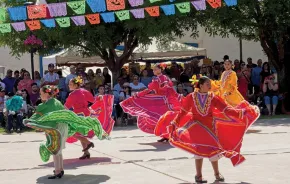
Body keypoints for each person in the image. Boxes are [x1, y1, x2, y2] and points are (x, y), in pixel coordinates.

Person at [156, 76, 260, 183]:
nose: (210, 86)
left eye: (210, 84)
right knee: (198, 151)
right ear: (200, 85)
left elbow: (226, 109)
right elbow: (183, 112)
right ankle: (199, 175)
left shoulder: (213, 97)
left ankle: (216, 173)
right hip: (196, 128)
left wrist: (240, 113)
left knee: (214, 151)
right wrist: (175, 123)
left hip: (210, 128)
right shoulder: (191, 97)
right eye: (207, 84)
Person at [23, 85, 104, 179]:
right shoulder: (56, 102)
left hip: (56, 128)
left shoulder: (46, 104)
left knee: (55, 149)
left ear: (46, 93)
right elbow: (64, 111)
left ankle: (58, 171)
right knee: (58, 149)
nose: (40, 95)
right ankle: (60, 169)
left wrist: (29, 121)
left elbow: (37, 116)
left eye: (41, 93)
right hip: (62, 127)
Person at [120, 64, 182, 142]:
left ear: (160, 69)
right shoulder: (161, 78)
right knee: (162, 118)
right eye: (153, 70)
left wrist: (139, 94)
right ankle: (166, 135)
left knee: (162, 118)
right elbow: (154, 89)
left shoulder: (162, 78)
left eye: (156, 69)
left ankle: (168, 135)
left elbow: (159, 89)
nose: (154, 71)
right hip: (162, 100)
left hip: (164, 101)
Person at [65, 76, 114, 159]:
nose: (69, 85)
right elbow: (93, 100)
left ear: (76, 85)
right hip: (86, 114)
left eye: (70, 84)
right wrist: (100, 98)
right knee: (80, 133)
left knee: (72, 132)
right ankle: (86, 152)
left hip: (78, 115)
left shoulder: (72, 94)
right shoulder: (84, 91)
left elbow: (66, 107)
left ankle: (88, 143)